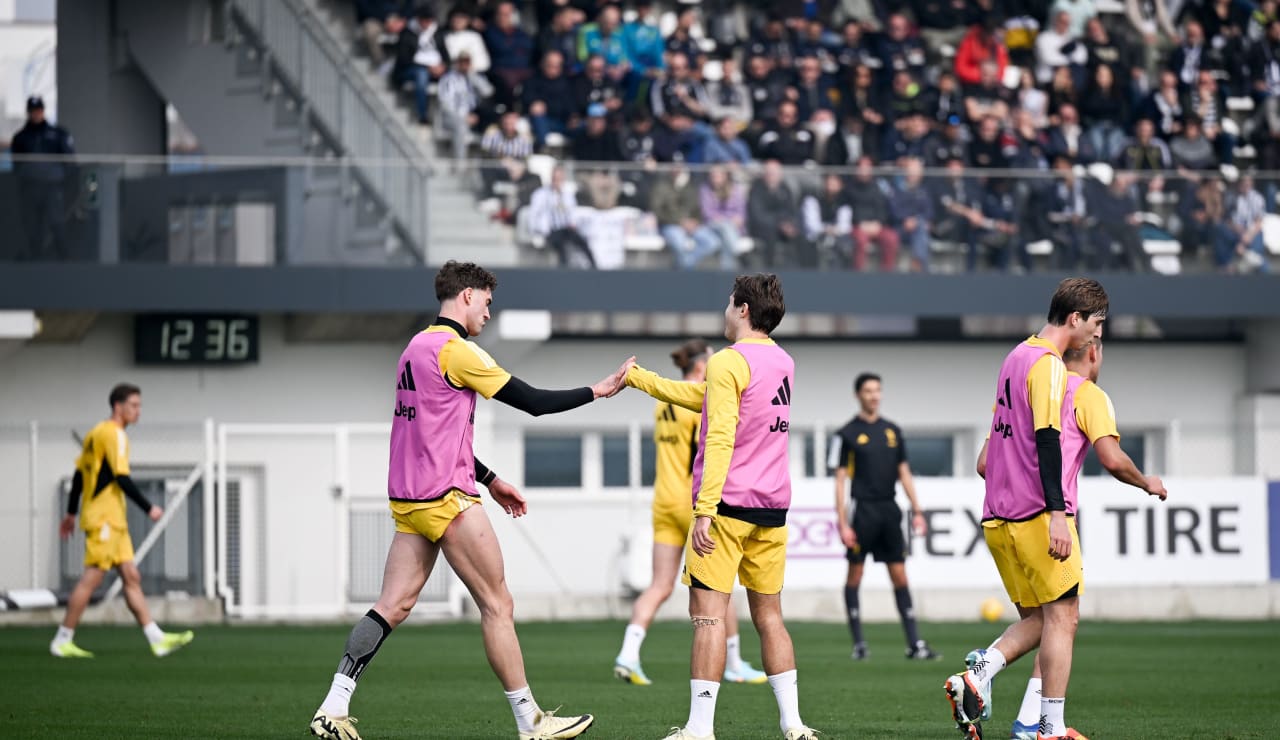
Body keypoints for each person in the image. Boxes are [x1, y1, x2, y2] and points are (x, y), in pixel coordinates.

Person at [309, 261, 635, 740]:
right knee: (497, 603)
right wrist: (598, 390)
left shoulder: (415, 348)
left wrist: (490, 477)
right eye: (486, 300)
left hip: (410, 499)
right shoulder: (458, 351)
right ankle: (532, 723)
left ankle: (332, 705)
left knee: (392, 606)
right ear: (465, 296)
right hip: (448, 498)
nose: (488, 310)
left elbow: (434, 433)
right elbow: (534, 401)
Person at [943, 278, 1164, 740]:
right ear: (1075, 318)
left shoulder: (1014, 358)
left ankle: (1021, 716)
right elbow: (1051, 441)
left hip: (997, 518)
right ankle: (1041, 721)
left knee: (1043, 622)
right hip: (1038, 517)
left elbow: (986, 460)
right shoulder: (1055, 372)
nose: (1096, 337)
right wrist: (1059, 511)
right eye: (1096, 326)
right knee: (1064, 619)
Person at [622, 274, 817, 740]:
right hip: (772, 508)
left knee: (708, 617)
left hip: (727, 508)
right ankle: (794, 724)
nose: (725, 311)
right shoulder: (784, 361)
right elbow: (711, 402)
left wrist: (705, 510)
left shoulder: (729, 361)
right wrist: (642, 379)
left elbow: (720, 433)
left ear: (743, 309)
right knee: (770, 616)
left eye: (729, 304)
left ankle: (699, 729)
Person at [613, 339, 767, 687]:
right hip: (694, 503)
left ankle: (628, 653)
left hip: (663, 501)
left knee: (659, 585)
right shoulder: (703, 398)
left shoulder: (664, 403)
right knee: (719, 585)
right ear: (701, 366)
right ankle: (734, 662)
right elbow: (712, 448)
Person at [51, 384, 195, 659]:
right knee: (92, 577)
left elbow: (80, 475)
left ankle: (156, 638)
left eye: (139, 405)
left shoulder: (95, 433)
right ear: (118, 407)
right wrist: (148, 507)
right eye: (134, 405)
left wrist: (71, 513)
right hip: (104, 517)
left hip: (111, 518)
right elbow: (121, 477)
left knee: (131, 576)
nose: (138, 411)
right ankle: (62, 639)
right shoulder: (114, 434)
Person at [828, 373, 939, 662]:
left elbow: (904, 472)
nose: (874, 395)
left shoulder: (892, 430)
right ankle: (859, 644)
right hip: (862, 511)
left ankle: (915, 644)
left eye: (877, 390)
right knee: (855, 574)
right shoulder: (846, 434)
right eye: (868, 391)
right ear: (858, 395)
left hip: (889, 511)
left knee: (900, 576)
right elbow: (840, 481)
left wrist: (917, 511)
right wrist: (842, 522)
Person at [11, 96, 75, 261]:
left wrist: (62, 179)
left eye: (38, 111)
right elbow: (16, 164)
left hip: (52, 187)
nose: (36, 114)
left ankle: (65, 260)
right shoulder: (21, 137)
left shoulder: (57, 134)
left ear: (43, 111)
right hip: (30, 188)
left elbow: (69, 160)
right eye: (33, 111)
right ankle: (35, 260)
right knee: (33, 226)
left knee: (57, 222)